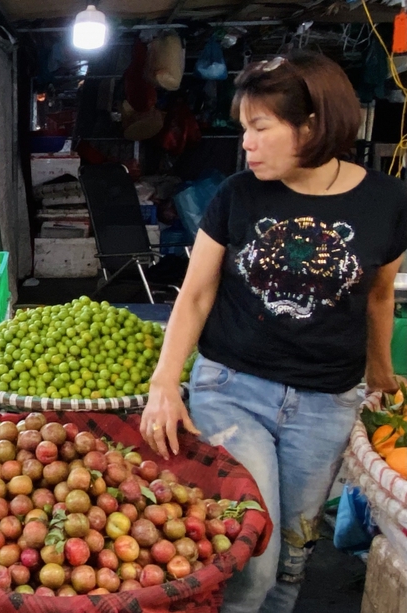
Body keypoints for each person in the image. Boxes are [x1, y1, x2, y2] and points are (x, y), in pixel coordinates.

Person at [139, 50, 407, 613]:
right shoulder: (237, 194)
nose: (247, 144)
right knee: (252, 557)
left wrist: (380, 371)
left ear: (313, 125)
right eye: (244, 129)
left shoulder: (386, 202)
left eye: (260, 128)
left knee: (293, 558)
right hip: (233, 389)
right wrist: (165, 381)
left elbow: (379, 293)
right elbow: (195, 294)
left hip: (327, 401)